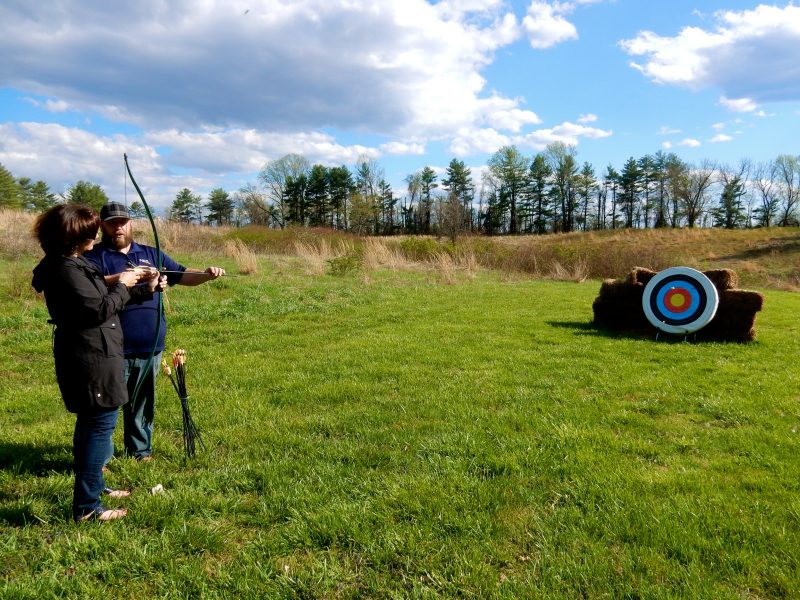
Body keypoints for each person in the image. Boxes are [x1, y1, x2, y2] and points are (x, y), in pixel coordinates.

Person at [31, 204, 164, 522]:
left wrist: (142, 288)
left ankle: (95, 487)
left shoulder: (73, 263)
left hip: (97, 354)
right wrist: (124, 283)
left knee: (95, 428)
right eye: (90, 229)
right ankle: (88, 508)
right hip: (91, 358)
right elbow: (97, 311)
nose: (96, 233)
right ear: (74, 235)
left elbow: (99, 303)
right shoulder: (65, 269)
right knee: (98, 427)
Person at [84, 202, 225, 462]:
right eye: (112, 223)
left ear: (131, 224)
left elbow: (181, 274)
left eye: (123, 222)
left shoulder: (151, 253)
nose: (118, 227)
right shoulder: (93, 256)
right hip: (110, 347)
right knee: (106, 407)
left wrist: (206, 274)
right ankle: (99, 461)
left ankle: (140, 451)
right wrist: (127, 277)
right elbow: (86, 285)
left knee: (142, 403)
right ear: (102, 226)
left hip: (149, 346)